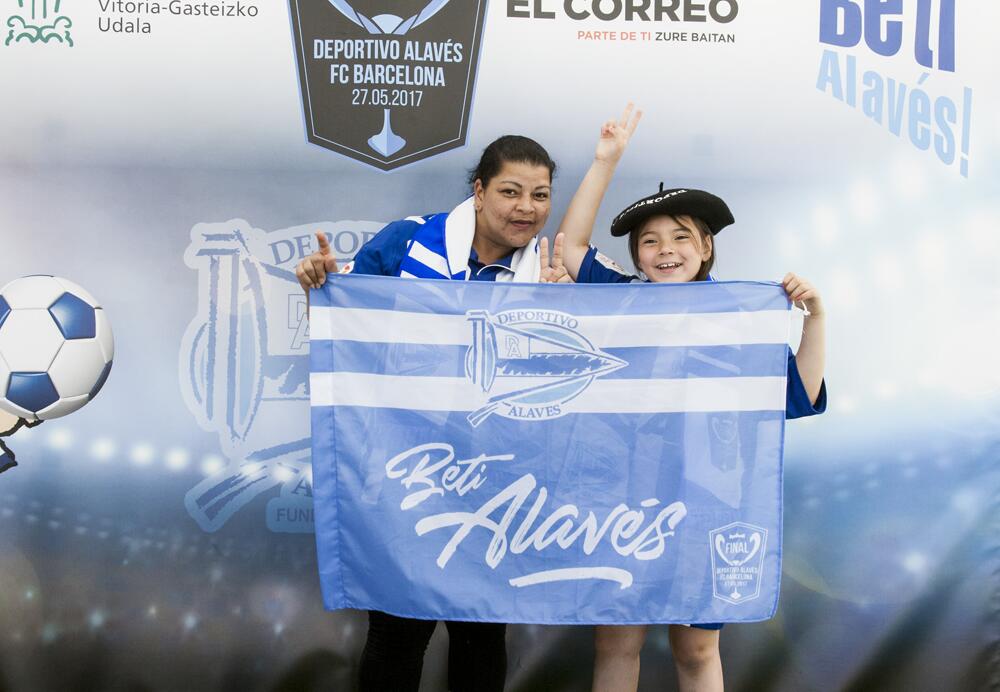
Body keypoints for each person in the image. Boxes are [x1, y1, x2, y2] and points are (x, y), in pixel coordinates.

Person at [555, 106, 827, 692]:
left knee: (698, 648)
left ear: (705, 247)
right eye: (649, 242)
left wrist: (815, 318)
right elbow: (571, 246)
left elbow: (797, 395)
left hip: (710, 507)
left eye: (681, 237)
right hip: (621, 502)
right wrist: (606, 160)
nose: (664, 250)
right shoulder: (620, 300)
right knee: (616, 639)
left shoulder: (736, 318)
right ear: (635, 259)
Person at [295, 134, 569, 692]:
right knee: (399, 630)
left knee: (482, 633)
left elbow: (635, 317)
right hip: (405, 470)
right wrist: (321, 284)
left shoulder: (550, 270)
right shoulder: (408, 241)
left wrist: (568, 306)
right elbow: (348, 319)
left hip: (499, 478)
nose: (527, 208)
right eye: (510, 191)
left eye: (540, 195)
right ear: (479, 190)